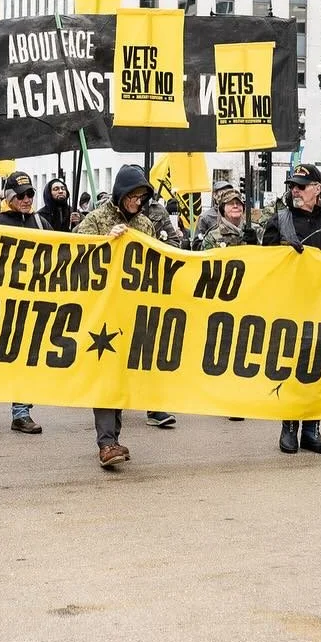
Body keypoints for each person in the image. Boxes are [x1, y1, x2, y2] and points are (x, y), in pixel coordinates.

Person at [75, 165, 174, 466]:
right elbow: (76, 252)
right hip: (104, 311)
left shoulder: (145, 224)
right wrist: (106, 239)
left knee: (122, 376)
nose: (137, 202)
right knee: (106, 373)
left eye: (142, 197)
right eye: (132, 196)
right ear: (121, 193)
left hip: (133, 310)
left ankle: (113, 438)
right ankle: (107, 443)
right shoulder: (96, 219)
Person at [259, 163, 321, 455]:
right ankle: (289, 427)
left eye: (301, 186)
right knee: (292, 367)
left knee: (319, 369)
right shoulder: (279, 220)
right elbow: (265, 264)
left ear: (317, 189)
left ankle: (312, 429)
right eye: (292, 186)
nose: (295, 190)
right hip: (291, 307)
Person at [0, 172, 48, 434]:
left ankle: (21, 413)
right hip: (0, 302)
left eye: (30, 194)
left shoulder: (41, 223)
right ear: (8, 197)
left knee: (26, 357)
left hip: (31, 302)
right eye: (20, 195)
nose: (26, 199)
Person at [193, 180, 235, 247]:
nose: (226, 196)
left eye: (229, 193)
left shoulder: (236, 214)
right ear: (214, 195)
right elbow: (197, 244)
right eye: (223, 192)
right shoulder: (206, 217)